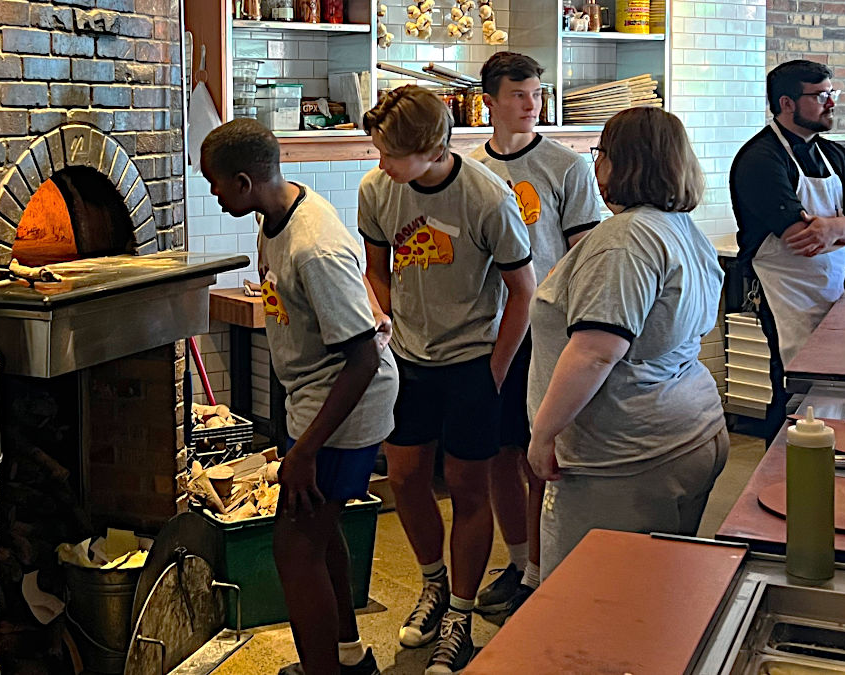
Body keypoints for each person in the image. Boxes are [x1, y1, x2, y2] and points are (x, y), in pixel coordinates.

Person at [201, 119, 399, 675]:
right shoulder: (273, 217)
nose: (214, 195)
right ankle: (347, 655)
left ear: (244, 181)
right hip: (312, 399)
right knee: (319, 527)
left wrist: (306, 451)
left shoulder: (313, 246)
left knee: (295, 547)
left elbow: (363, 357)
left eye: (216, 185)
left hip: (345, 406)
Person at [358, 85, 536, 674]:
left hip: (473, 361)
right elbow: (376, 270)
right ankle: (433, 585)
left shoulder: (488, 197)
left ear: (431, 148)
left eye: (388, 153)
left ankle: (460, 613)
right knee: (405, 478)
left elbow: (523, 290)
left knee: (467, 486)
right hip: (409, 359)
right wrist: (383, 318)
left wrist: (496, 369)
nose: (379, 163)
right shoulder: (378, 192)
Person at [527, 107, 728, 580]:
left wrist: (543, 431)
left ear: (623, 163)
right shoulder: (680, 227)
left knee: (592, 597)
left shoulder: (624, 239)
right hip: (689, 428)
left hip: (628, 455)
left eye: (601, 154)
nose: (597, 167)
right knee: (656, 587)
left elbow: (596, 351)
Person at [468, 51, 601, 615]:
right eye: (518, 95)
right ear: (490, 101)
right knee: (498, 453)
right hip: (492, 331)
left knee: (537, 453)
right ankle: (518, 559)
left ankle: (543, 568)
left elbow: (586, 253)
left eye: (537, 94)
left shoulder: (567, 166)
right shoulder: (471, 169)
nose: (530, 105)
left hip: (548, 330)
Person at [730, 59, 845, 430]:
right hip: (781, 295)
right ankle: (777, 479)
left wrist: (833, 228)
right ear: (787, 103)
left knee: (824, 390)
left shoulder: (835, 154)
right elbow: (800, 237)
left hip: (827, 291)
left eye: (832, 93)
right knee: (792, 391)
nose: (832, 102)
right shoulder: (761, 160)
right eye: (820, 96)